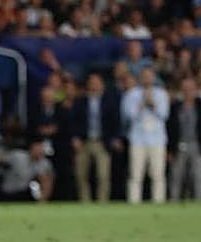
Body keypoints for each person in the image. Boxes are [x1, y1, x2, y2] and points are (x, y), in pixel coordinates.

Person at [70, 72, 121, 202]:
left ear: (102, 85)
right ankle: (85, 202)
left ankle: (102, 202)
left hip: (102, 142)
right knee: (81, 175)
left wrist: (114, 138)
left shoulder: (109, 101)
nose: (94, 85)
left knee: (103, 175)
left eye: (96, 83)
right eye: (91, 82)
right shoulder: (80, 101)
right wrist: (75, 137)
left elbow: (115, 121)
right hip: (84, 142)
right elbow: (73, 122)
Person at [122, 66, 170, 204]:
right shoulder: (132, 94)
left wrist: (152, 103)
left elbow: (164, 115)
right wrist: (142, 103)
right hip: (138, 140)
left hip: (157, 140)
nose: (147, 78)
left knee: (158, 175)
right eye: (144, 76)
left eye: (149, 76)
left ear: (154, 77)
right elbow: (129, 116)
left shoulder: (161, 94)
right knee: (135, 175)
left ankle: (158, 202)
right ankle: (134, 203)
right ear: (140, 78)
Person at [167, 76, 201, 201]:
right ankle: (174, 201)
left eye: (191, 89)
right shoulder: (176, 106)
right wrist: (170, 149)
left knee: (199, 176)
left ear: (195, 90)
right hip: (179, 145)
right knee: (176, 176)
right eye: (185, 89)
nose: (188, 92)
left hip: (197, 145)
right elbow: (170, 128)